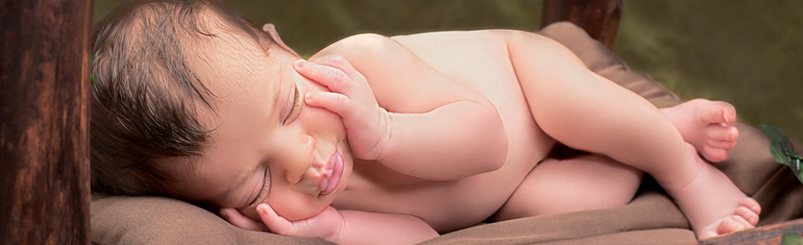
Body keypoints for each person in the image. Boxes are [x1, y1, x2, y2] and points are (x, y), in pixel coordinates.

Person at [90, 0, 760, 244]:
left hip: (522, 88)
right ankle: (658, 131)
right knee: (579, 195)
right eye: (251, 183)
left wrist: (383, 130)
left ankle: (682, 165)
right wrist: (335, 228)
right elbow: (422, 231)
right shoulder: (310, 199)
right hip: (508, 188)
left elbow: (486, 135)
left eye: (290, 107)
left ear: (286, 51)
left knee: (574, 104)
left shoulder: (364, 62)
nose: (298, 157)